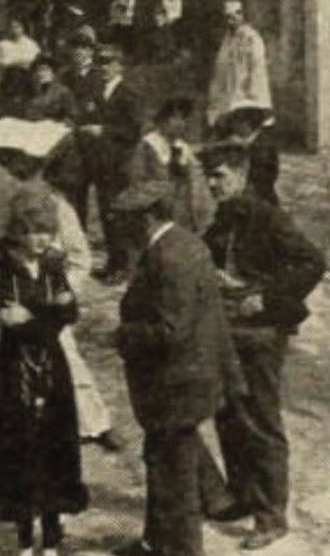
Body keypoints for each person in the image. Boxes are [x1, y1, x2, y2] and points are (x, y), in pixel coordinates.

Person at [199, 143, 326, 551]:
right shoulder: (223, 217)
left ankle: (271, 516)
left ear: (240, 175)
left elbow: (312, 262)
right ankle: (241, 496)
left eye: (218, 175)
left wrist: (267, 298)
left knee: (260, 422)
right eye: (208, 175)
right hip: (227, 329)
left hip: (261, 334)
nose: (211, 183)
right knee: (229, 415)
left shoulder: (267, 216)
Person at [0, 121, 123, 451]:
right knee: (4, 359)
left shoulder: (58, 207)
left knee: (65, 357)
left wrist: (61, 289)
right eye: (11, 166)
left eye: (25, 168)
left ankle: (94, 423)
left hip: (49, 296)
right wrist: (1, 261)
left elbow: (80, 256)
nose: (17, 174)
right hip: (12, 293)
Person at [110, 181, 242, 556]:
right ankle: (154, 543)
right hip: (187, 380)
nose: (119, 227)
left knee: (176, 481)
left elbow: (170, 329)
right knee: (161, 464)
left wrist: (121, 335)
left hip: (175, 385)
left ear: (148, 217)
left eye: (125, 220)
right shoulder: (184, 242)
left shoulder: (168, 258)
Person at [0, 187, 88, 556]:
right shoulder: (1, 272)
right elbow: (13, 323)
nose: (41, 240)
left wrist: (39, 314)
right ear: (17, 233)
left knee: (55, 444)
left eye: (46, 231)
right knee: (20, 447)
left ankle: (53, 535)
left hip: (53, 364)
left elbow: (69, 316)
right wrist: (50, 311)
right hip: (15, 367)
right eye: (33, 232)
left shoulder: (54, 266)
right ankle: (25, 537)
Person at [70, 43, 142, 280]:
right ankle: (113, 263)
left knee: (118, 215)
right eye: (101, 63)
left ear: (120, 66)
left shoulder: (127, 92)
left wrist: (103, 130)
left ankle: (123, 267)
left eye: (109, 63)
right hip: (101, 162)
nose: (104, 68)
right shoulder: (98, 92)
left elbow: (132, 130)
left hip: (119, 162)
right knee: (105, 214)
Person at [128, 97, 210, 233]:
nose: (179, 123)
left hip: (182, 213)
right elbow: (136, 179)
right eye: (174, 118)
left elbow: (196, 181)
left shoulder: (183, 148)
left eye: (183, 119)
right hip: (154, 210)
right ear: (162, 120)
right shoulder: (148, 145)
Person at [207, 1, 271, 127]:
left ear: (242, 15)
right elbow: (220, 70)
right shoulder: (227, 40)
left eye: (237, 14)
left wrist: (252, 96)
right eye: (229, 17)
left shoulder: (251, 38)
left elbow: (257, 68)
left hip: (246, 95)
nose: (232, 20)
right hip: (228, 94)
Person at [214, 101, 280, 205]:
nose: (234, 127)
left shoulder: (262, 146)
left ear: (246, 124)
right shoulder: (252, 142)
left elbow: (261, 180)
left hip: (260, 203)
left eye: (235, 122)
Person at [26, 55, 76, 124]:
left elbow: (71, 114)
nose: (40, 73)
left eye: (45, 70)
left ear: (53, 72)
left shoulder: (63, 91)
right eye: (38, 70)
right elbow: (30, 113)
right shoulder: (34, 91)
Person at [0, 18, 42, 83]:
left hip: (28, 79)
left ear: (22, 28)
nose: (14, 30)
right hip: (8, 80)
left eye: (17, 27)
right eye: (11, 27)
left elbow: (35, 62)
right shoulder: (2, 45)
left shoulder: (31, 44)